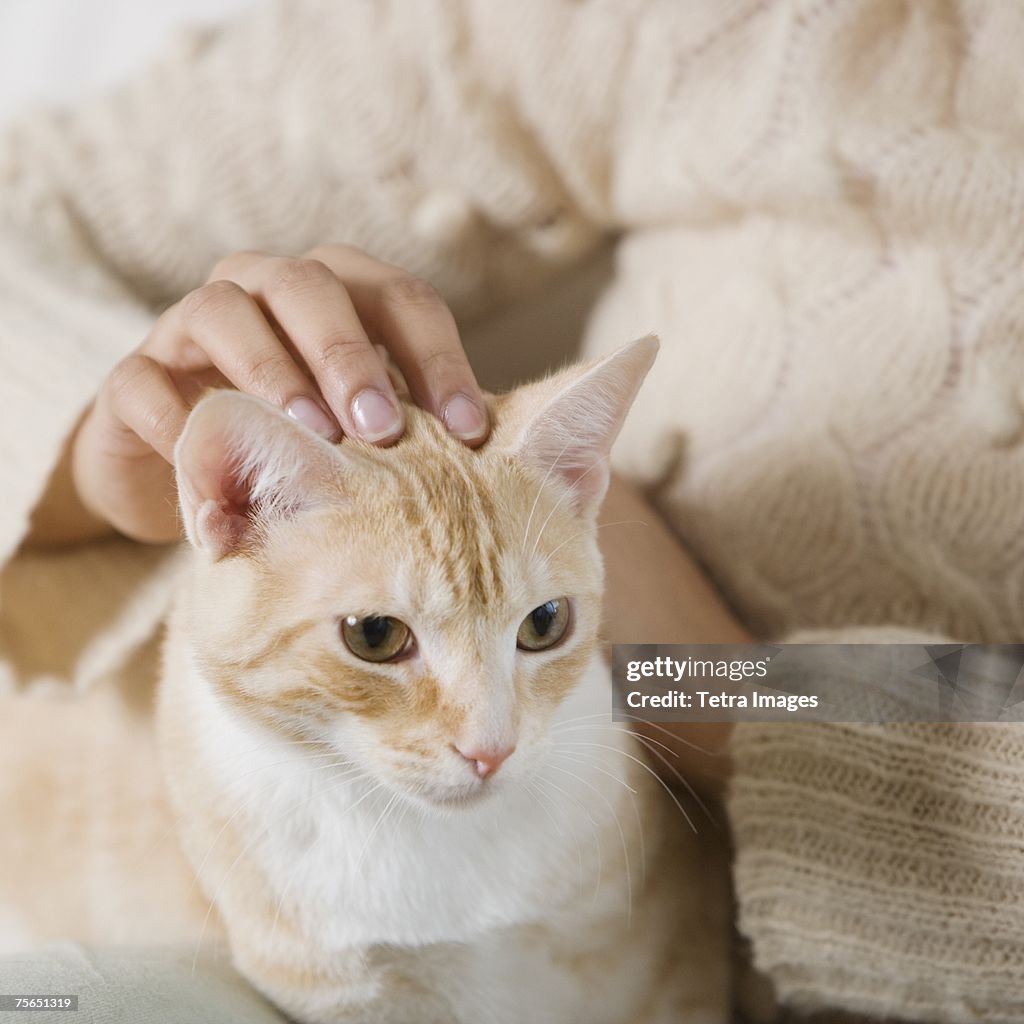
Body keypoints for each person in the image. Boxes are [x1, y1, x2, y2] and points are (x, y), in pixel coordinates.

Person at [4, 2, 1024, 1022]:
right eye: (378, 634)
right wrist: (93, 468)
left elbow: (704, 683)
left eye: (544, 625)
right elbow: (22, 206)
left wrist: (717, 682)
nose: (484, 738)